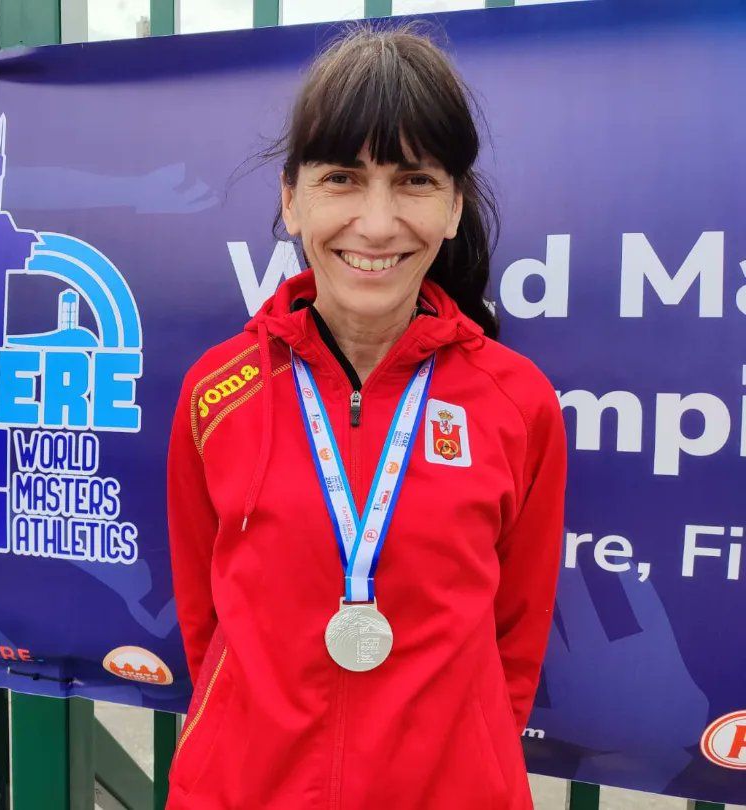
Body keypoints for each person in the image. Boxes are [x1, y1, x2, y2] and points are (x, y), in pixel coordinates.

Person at [165, 22, 567, 810]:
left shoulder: (519, 403)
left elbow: (515, 642)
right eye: (342, 178)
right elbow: (204, 623)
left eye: (414, 181)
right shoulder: (217, 390)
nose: (377, 224)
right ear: (292, 199)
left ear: (454, 206)